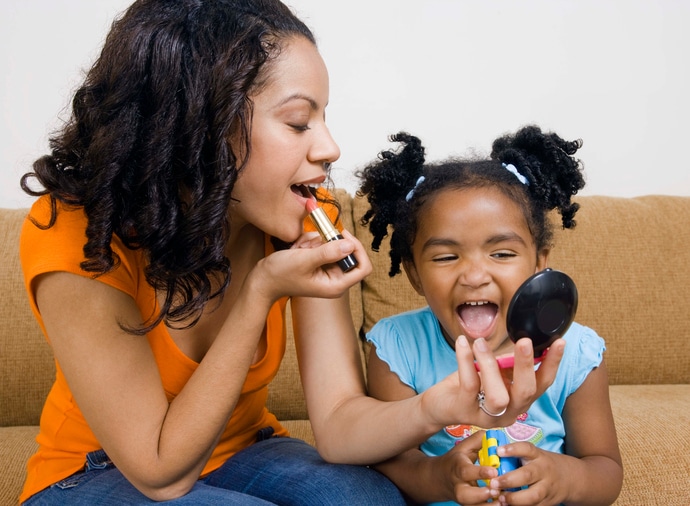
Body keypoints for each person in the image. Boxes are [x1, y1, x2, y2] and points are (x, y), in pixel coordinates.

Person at [18, 1, 564, 504]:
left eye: (323, 118)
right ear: (200, 125)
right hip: (95, 471)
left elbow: (339, 421)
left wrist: (435, 409)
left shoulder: (303, 213)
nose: (329, 148)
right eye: (300, 122)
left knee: (368, 499)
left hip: (245, 448)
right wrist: (261, 291)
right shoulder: (73, 233)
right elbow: (160, 472)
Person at [357, 126, 623, 506]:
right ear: (414, 273)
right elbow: (390, 461)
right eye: (447, 256)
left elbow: (605, 469)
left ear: (538, 264)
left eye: (501, 253)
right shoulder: (396, 349)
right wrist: (440, 477)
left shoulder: (576, 352)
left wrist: (561, 477)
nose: (475, 275)